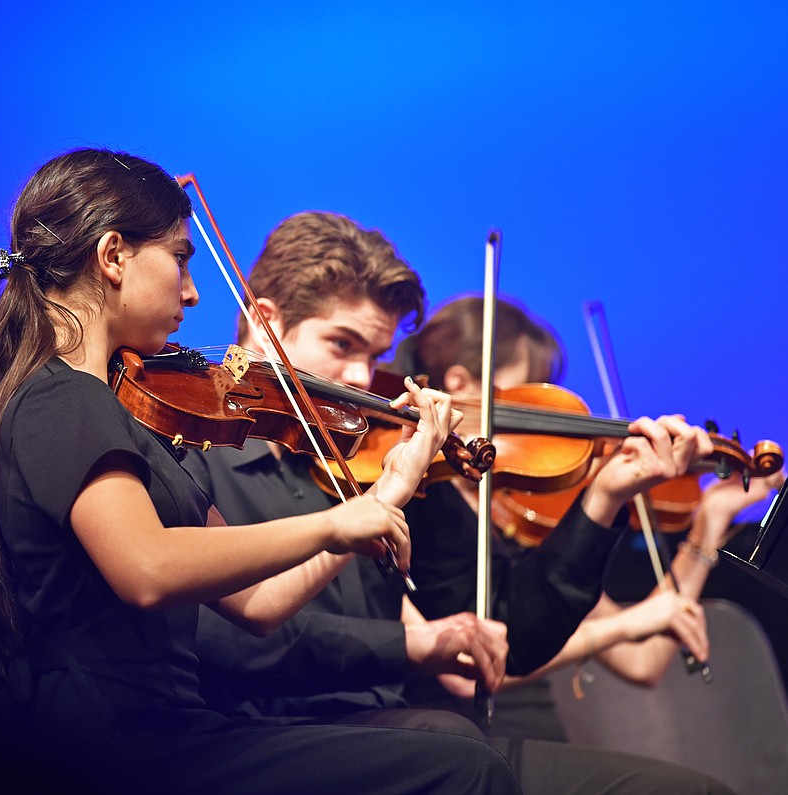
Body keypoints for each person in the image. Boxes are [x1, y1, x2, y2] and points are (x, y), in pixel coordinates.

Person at [0, 148, 520, 794]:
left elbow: (260, 604)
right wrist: (335, 524)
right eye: (179, 258)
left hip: (176, 730)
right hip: (117, 747)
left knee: (453, 746)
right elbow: (147, 569)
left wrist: (386, 493)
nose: (194, 290)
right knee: (464, 767)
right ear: (113, 255)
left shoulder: (121, 413)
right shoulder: (60, 399)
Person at [184, 215, 735, 794]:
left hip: (393, 733)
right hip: (269, 740)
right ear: (264, 322)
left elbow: (512, 640)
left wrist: (605, 496)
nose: (360, 379)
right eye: (342, 345)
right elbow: (223, 638)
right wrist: (412, 642)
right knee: (457, 749)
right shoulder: (190, 448)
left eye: (374, 356)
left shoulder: (370, 457)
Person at [394, 296, 783, 726]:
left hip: (538, 734)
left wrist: (707, 525)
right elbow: (464, 676)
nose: (539, 424)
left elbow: (644, 661)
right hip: (457, 734)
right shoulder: (421, 507)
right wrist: (622, 625)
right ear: (462, 385)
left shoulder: (518, 523)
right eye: (525, 398)